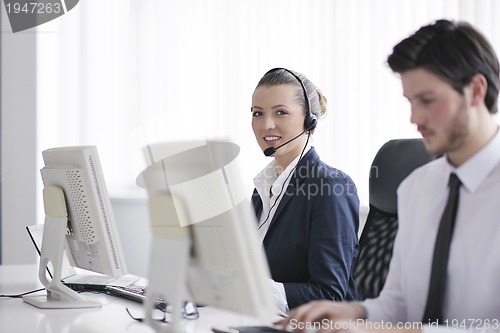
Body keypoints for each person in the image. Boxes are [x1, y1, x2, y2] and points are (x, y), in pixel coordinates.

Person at [277, 19, 500, 332]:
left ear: (476, 90)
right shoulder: (418, 188)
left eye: (427, 100)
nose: (414, 118)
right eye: (410, 102)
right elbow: (398, 302)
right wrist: (352, 312)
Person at [250, 68, 360, 315]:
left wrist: (251, 289)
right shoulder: (261, 189)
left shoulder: (330, 187)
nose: (266, 125)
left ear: (309, 120)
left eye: (281, 112)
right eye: (258, 113)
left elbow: (330, 295)